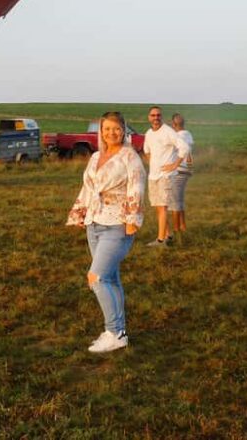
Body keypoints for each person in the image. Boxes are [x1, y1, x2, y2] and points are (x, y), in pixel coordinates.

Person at [67, 111, 146, 353]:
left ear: (124, 130)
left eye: (116, 129)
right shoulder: (96, 157)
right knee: (110, 278)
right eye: (106, 129)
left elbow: (138, 185)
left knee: (97, 277)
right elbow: (88, 187)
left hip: (117, 224)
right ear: (101, 131)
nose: (111, 133)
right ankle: (118, 331)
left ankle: (115, 332)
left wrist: (132, 219)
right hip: (94, 223)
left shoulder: (129, 157)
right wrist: (80, 213)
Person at [143, 106, 190, 247]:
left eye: (158, 115)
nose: (156, 118)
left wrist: (175, 164)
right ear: (149, 117)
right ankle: (168, 235)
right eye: (153, 115)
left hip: (166, 176)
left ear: (161, 117)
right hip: (153, 176)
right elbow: (146, 150)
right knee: (158, 207)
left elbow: (185, 147)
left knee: (163, 207)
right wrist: (153, 163)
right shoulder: (149, 133)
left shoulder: (168, 132)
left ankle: (160, 240)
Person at [170, 113, 194, 235]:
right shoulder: (188, 134)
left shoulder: (177, 137)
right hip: (187, 169)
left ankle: (176, 230)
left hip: (178, 170)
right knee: (179, 200)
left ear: (173, 124)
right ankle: (183, 226)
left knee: (174, 202)